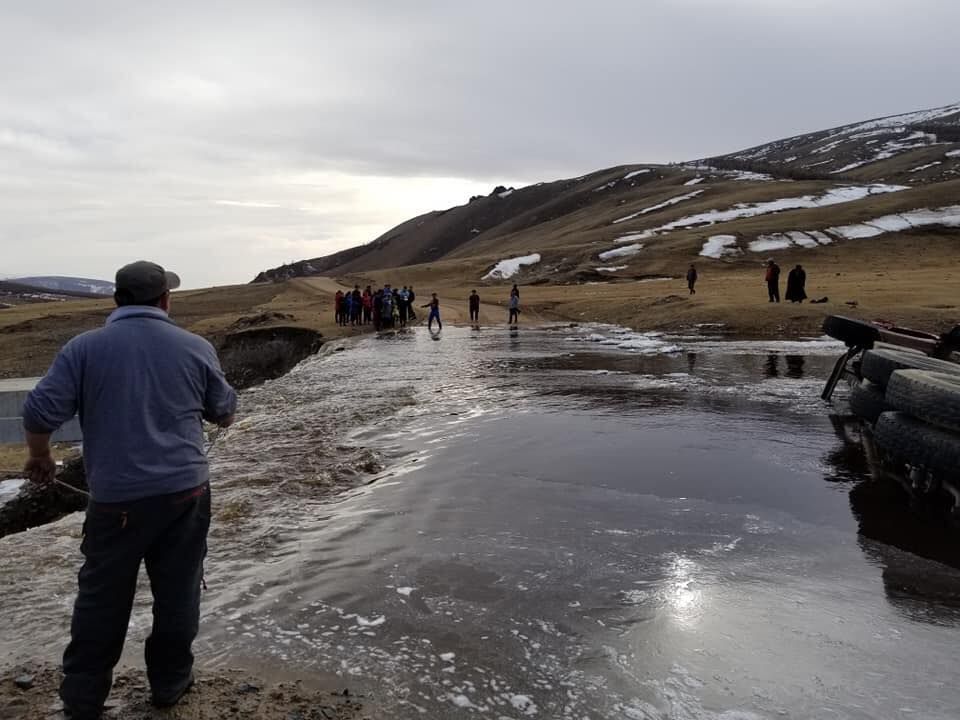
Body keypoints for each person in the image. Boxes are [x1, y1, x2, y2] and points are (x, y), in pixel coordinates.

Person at [21, 261, 237, 719]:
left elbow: (39, 411)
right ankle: (170, 684)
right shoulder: (195, 347)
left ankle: (82, 699)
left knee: (102, 598)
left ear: (117, 300)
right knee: (179, 591)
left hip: (115, 500)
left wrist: (40, 456)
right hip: (186, 494)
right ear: (165, 300)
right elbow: (225, 412)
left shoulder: (84, 348)